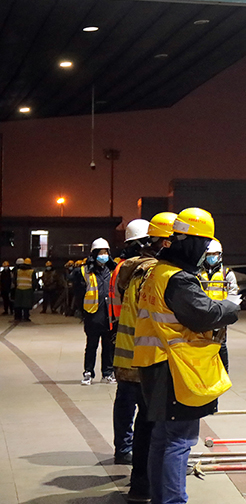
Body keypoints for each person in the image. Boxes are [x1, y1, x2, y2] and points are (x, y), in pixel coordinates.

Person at [132, 207, 240, 504]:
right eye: (204, 245)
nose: (206, 252)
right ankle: (172, 501)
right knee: (179, 440)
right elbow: (203, 314)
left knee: (162, 437)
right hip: (175, 368)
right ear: (191, 242)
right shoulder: (178, 279)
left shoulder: (158, 273)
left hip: (155, 363)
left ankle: (159, 498)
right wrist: (231, 306)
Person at [113, 212, 176, 502]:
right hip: (148, 360)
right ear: (163, 242)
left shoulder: (132, 270)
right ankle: (145, 483)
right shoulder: (154, 274)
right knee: (151, 426)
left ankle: (141, 482)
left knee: (142, 422)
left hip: (129, 356)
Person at [111, 218, 153, 466]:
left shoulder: (122, 269)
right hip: (143, 350)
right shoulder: (146, 271)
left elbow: (118, 308)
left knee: (125, 405)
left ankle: (123, 448)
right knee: (146, 411)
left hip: (124, 346)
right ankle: (136, 452)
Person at [198, 238, 239, 372]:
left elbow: (233, 296)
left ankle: (223, 373)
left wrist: (226, 313)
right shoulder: (198, 274)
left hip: (220, 317)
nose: (211, 258)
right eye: (209, 255)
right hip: (202, 316)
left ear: (220, 255)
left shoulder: (226, 275)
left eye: (214, 254)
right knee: (202, 346)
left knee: (220, 346)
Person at [78, 239, 116, 385]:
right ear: (94, 254)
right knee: (91, 346)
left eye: (105, 252)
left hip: (109, 315)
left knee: (108, 346)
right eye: (100, 252)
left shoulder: (113, 270)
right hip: (93, 315)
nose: (103, 255)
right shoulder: (84, 271)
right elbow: (79, 294)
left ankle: (107, 373)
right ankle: (88, 372)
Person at [13, 257, 36, 322]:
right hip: (28, 290)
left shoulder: (18, 271)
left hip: (19, 289)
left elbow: (14, 280)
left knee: (18, 304)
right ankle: (26, 317)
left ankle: (18, 317)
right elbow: (34, 282)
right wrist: (33, 289)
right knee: (26, 305)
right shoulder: (32, 271)